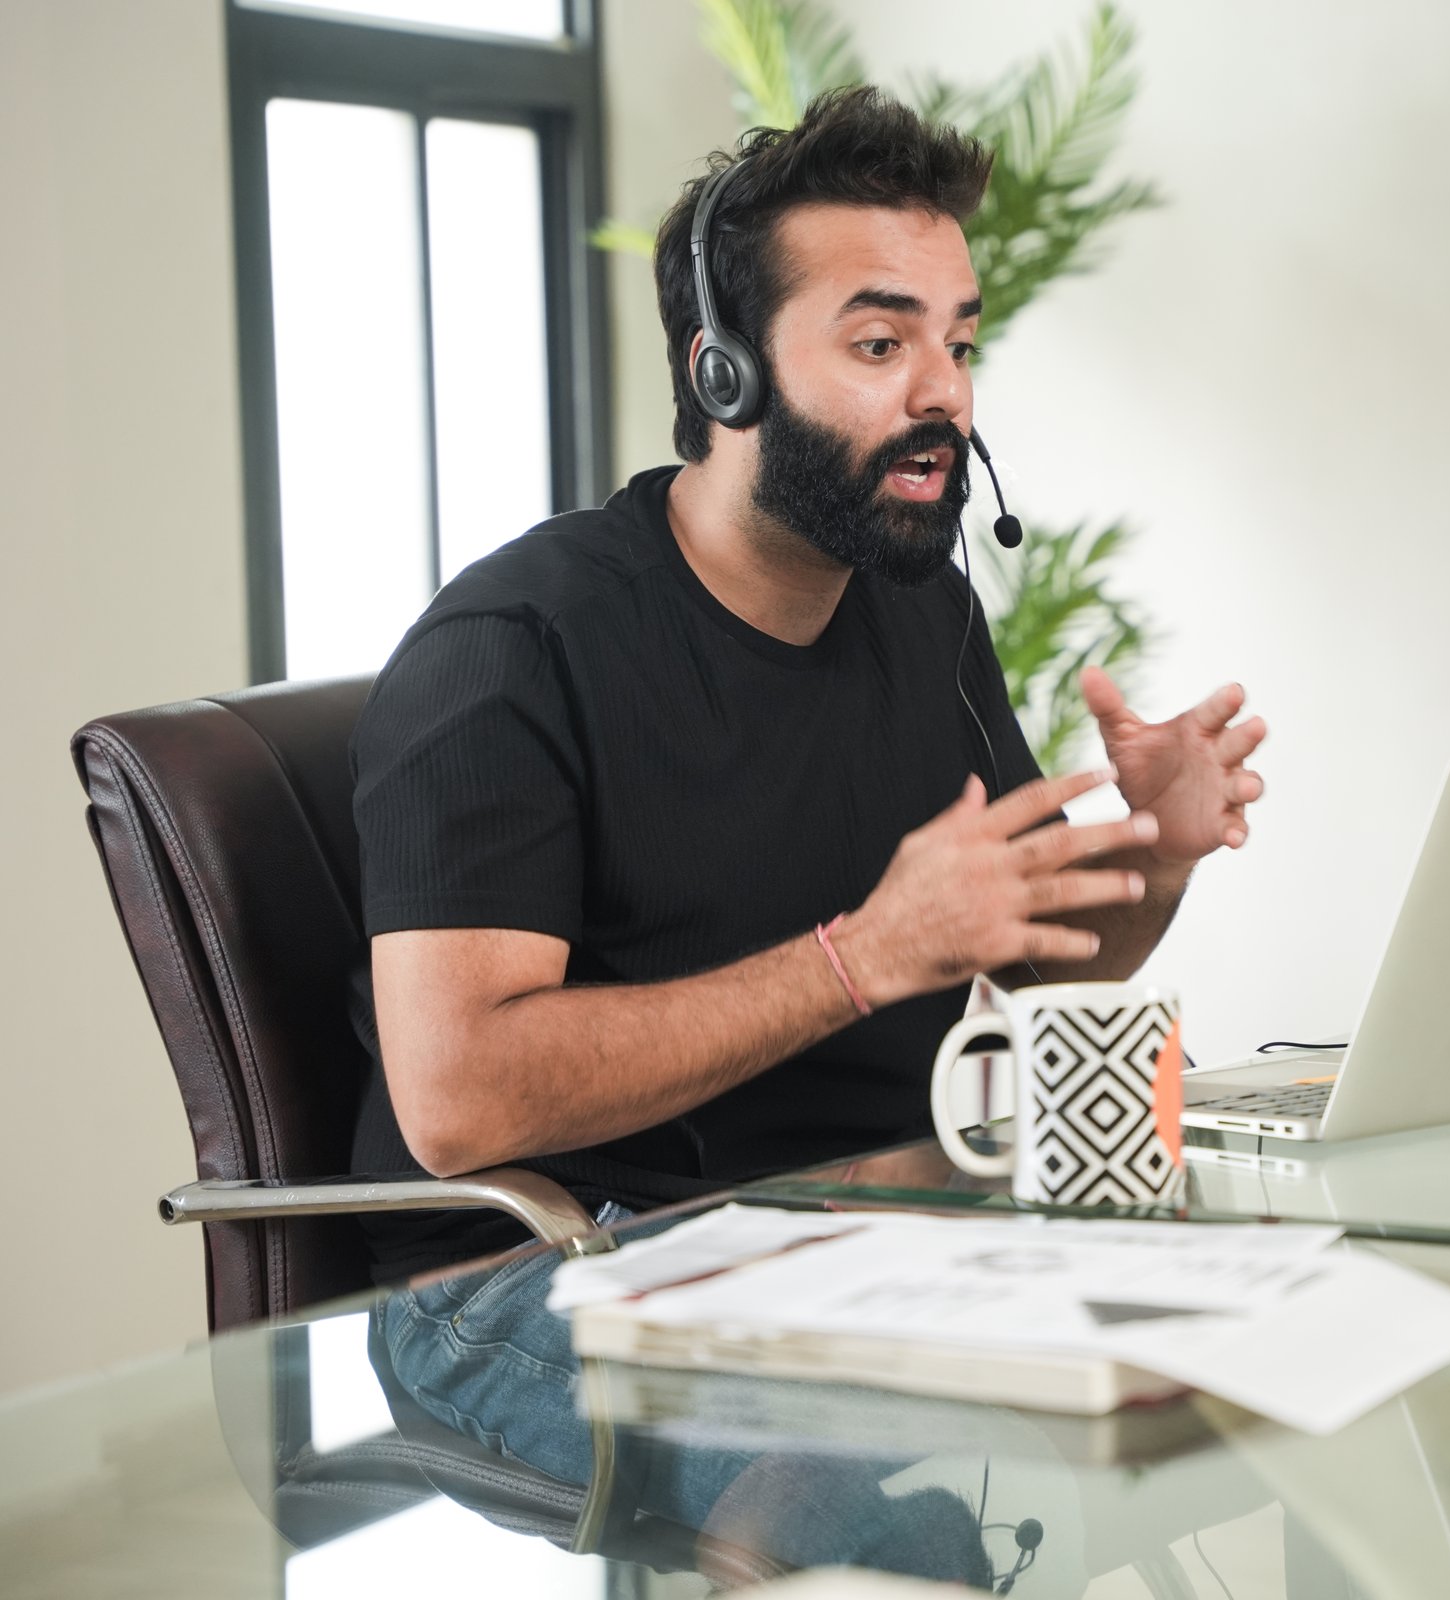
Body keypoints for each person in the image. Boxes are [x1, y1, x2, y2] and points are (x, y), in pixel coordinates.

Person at [352, 86, 1266, 1573]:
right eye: (879, 342)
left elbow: (1025, 967)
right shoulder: (512, 648)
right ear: (724, 371)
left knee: (1267, 1379)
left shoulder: (923, 610)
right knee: (849, 1496)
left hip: (850, 1234)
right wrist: (861, 958)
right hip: (533, 1275)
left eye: (959, 343)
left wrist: (1154, 859)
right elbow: (458, 1103)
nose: (946, 395)